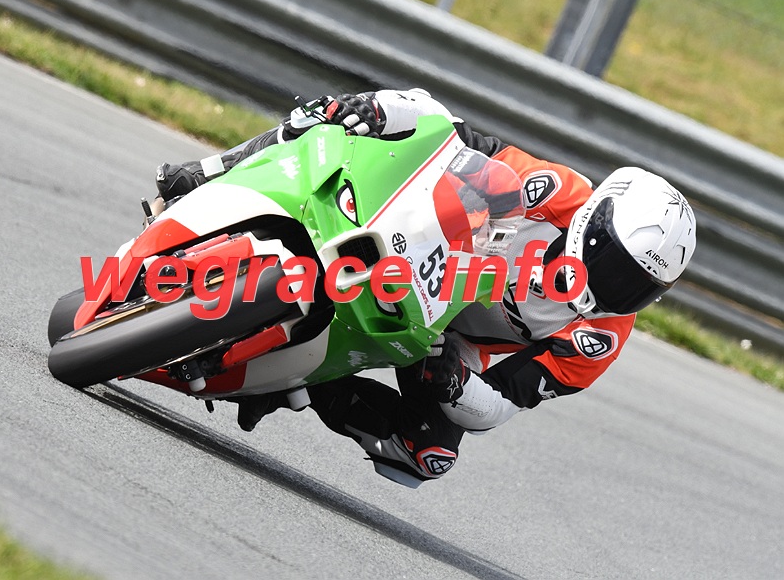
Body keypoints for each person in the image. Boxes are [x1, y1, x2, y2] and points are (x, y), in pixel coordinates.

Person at [153, 89, 697, 488]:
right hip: (432, 246)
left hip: (447, 338)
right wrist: (382, 112)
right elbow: (458, 138)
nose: (616, 289)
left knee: (428, 454)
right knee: (333, 115)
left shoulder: (601, 338)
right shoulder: (560, 193)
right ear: (594, 222)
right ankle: (206, 173)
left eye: (638, 288)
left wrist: (456, 383)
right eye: (615, 265)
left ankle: (299, 383)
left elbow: (505, 402)